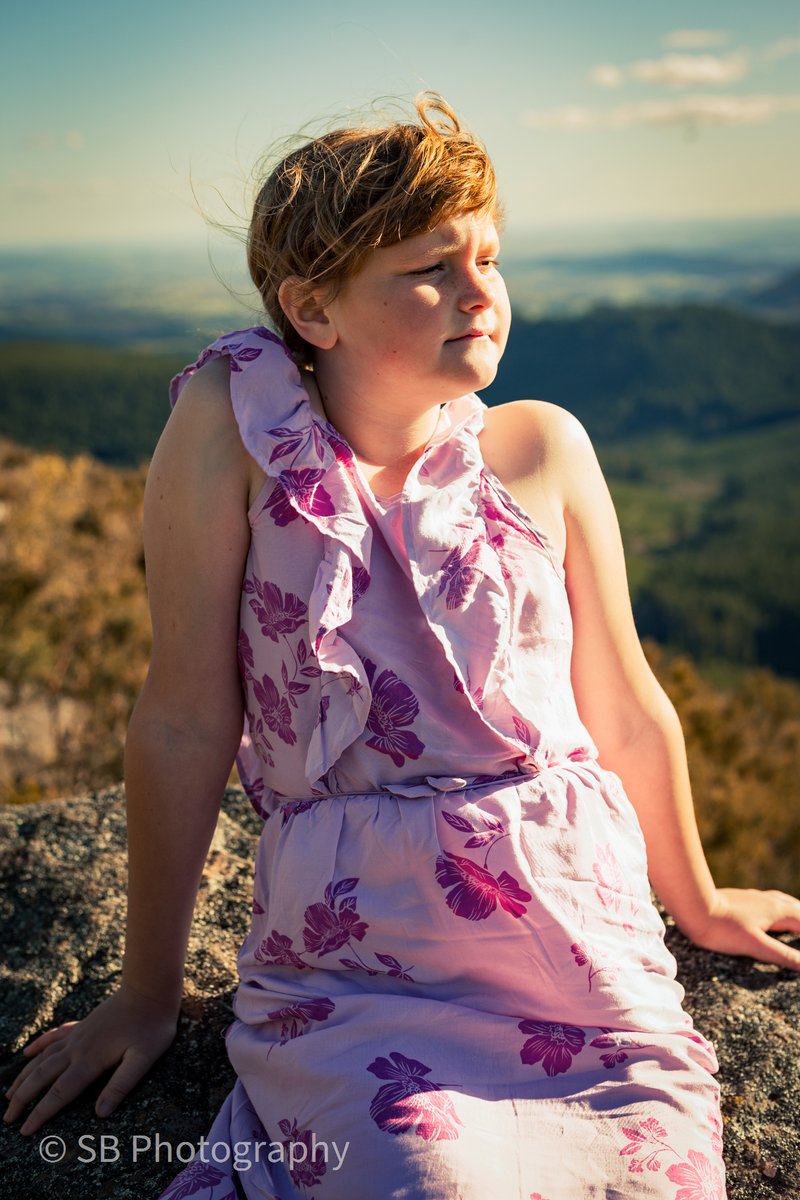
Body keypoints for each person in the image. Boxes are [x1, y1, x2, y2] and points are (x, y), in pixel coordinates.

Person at [4, 93, 800, 1200]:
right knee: (422, 1181)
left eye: (488, 256)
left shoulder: (544, 448)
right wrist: (146, 993)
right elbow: (184, 714)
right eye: (431, 267)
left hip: (572, 937)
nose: (480, 293)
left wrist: (699, 902)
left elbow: (621, 702)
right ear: (312, 310)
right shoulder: (235, 431)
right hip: (357, 957)